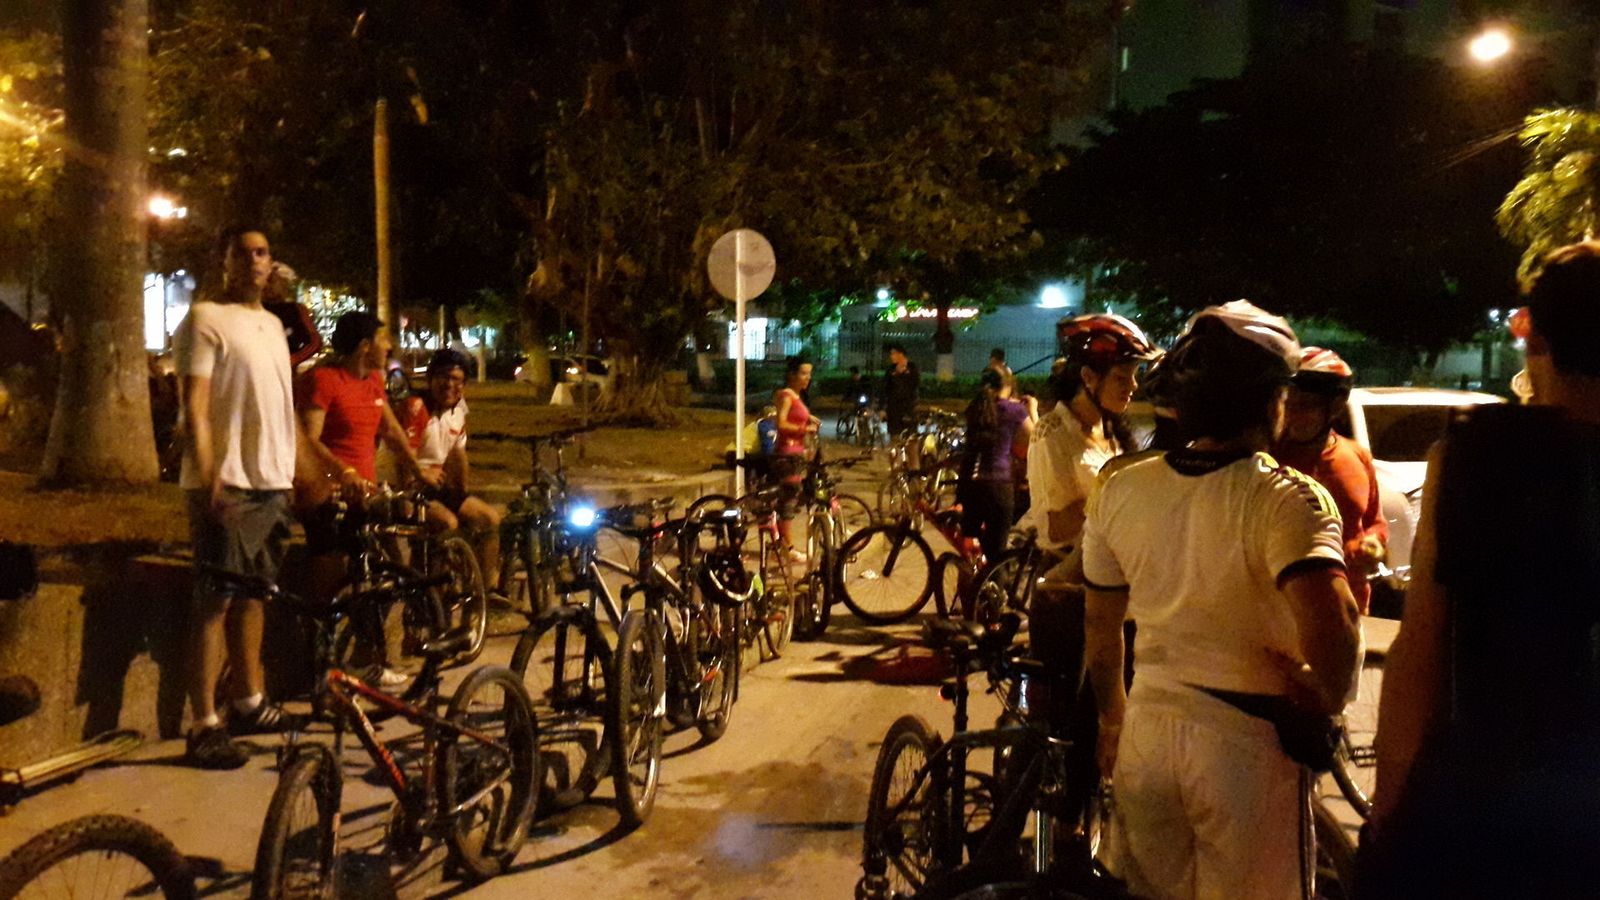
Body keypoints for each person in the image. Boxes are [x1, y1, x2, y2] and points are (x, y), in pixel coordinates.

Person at [1080, 301, 1361, 900]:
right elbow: (1335, 627)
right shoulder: (1286, 499)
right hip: (1245, 750)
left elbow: (1101, 636)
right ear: (1270, 399)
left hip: (1147, 733)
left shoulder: (1121, 487)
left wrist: (1113, 722)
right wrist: (1325, 692)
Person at [1363, 241, 1600, 898]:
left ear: (1534, 337)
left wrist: (1388, 809)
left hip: (1485, 804)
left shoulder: (1475, 456)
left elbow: (1422, 644)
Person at [174, 224, 303, 769]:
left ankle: (248, 700)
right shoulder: (204, 319)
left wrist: (298, 473)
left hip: (272, 482)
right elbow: (194, 405)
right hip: (228, 483)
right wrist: (210, 473)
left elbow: (279, 404)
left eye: (262, 252)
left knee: (255, 595)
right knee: (214, 601)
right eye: (243, 253)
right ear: (224, 261)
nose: (254, 261)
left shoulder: (273, 324)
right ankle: (204, 723)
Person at [299, 311, 427, 685]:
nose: (390, 346)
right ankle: (321, 664)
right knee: (333, 576)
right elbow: (309, 439)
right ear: (364, 346)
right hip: (329, 492)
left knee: (386, 570)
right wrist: (344, 472)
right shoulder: (324, 380)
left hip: (365, 494)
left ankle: (366, 657)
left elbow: (391, 430)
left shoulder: (373, 381)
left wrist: (417, 470)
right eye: (384, 339)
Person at [1020, 314, 1156, 557]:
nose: (1134, 385)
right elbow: (1054, 529)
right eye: (1121, 377)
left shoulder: (1111, 428)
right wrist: (1116, 496)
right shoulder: (1052, 433)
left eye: (1135, 375)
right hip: (1070, 571)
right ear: (1088, 378)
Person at [1272, 347, 1388, 614]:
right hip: (1287, 610)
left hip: (1351, 606)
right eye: (1286, 403)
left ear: (1334, 407)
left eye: (1304, 406)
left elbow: (1375, 522)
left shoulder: (1356, 456)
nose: (1291, 414)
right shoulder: (1267, 459)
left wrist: (1373, 543)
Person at [400, 349, 502, 600]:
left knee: (489, 518)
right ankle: (432, 593)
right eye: (443, 377)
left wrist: (462, 495)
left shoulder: (458, 412)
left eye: (456, 379)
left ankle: (482, 593)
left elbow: (458, 455)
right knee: (447, 523)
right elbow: (402, 457)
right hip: (410, 486)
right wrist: (406, 497)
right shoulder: (416, 407)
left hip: (437, 486)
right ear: (430, 379)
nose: (449, 385)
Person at [956, 370, 1033, 566]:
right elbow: (1036, 438)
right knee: (996, 557)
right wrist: (1032, 409)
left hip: (970, 486)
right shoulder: (1014, 410)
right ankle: (997, 585)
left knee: (971, 552)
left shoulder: (975, 407)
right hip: (998, 487)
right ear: (1008, 386)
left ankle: (971, 583)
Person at [772, 356, 820, 557]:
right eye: (803, 373)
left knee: (791, 497)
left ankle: (781, 544)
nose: (808, 378)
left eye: (809, 374)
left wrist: (808, 418)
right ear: (792, 375)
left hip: (798, 454)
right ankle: (787, 547)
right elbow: (781, 423)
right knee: (789, 499)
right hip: (788, 454)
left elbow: (796, 416)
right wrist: (804, 428)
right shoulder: (786, 396)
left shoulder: (797, 397)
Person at [261, 262, 322, 370]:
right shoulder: (253, 309)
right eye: (263, 280)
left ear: (284, 284)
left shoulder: (296, 310)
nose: (266, 285)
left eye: (271, 281)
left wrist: (293, 359)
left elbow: (315, 342)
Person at [881, 344, 920, 440]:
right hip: (893, 409)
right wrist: (882, 408)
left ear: (901, 354)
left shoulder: (912, 368)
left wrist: (904, 373)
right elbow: (885, 389)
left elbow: (914, 385)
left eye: (893, 354)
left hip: (908, 408)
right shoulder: (890, 370)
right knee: (895, 437)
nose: (891, 356)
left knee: (909, 438)